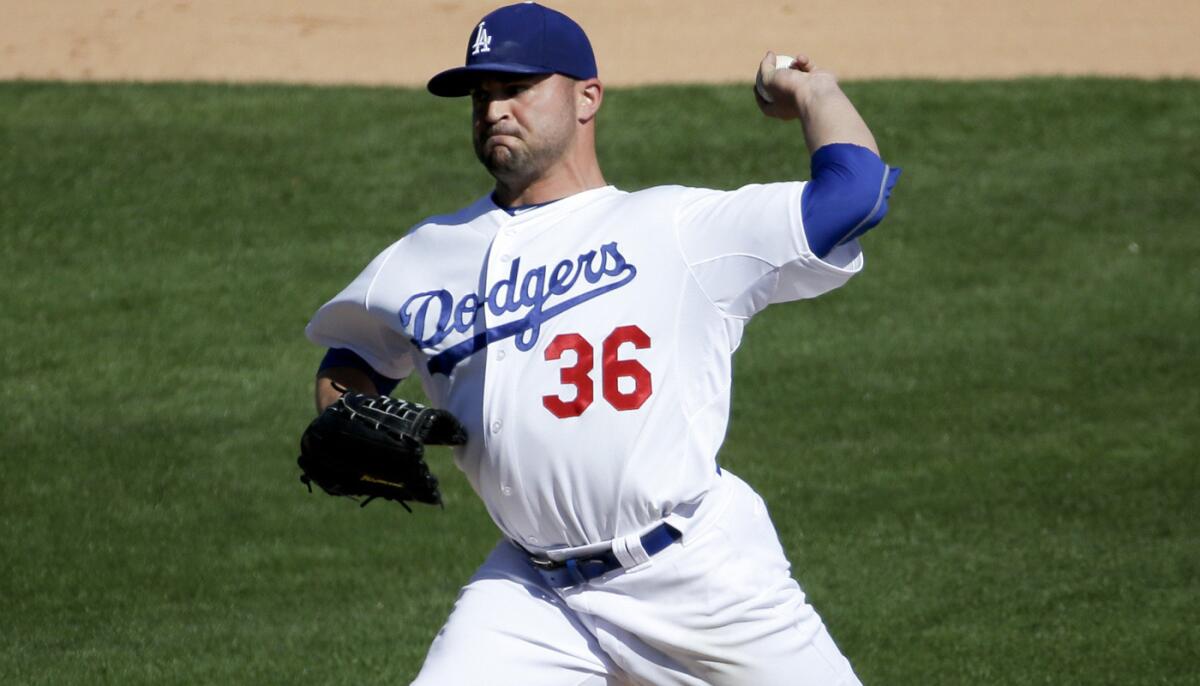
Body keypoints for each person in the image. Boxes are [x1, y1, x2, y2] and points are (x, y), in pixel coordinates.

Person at [305, 3, 900, 684]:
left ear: (588, 97)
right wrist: (340, 412)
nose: (494, 108)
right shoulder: (422, 256)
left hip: (698, 576)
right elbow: (351, 361)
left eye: (516, 87)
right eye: (481, 94)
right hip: (533, 593)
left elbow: (855, 195)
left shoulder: (677, 227)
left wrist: (812, 91)